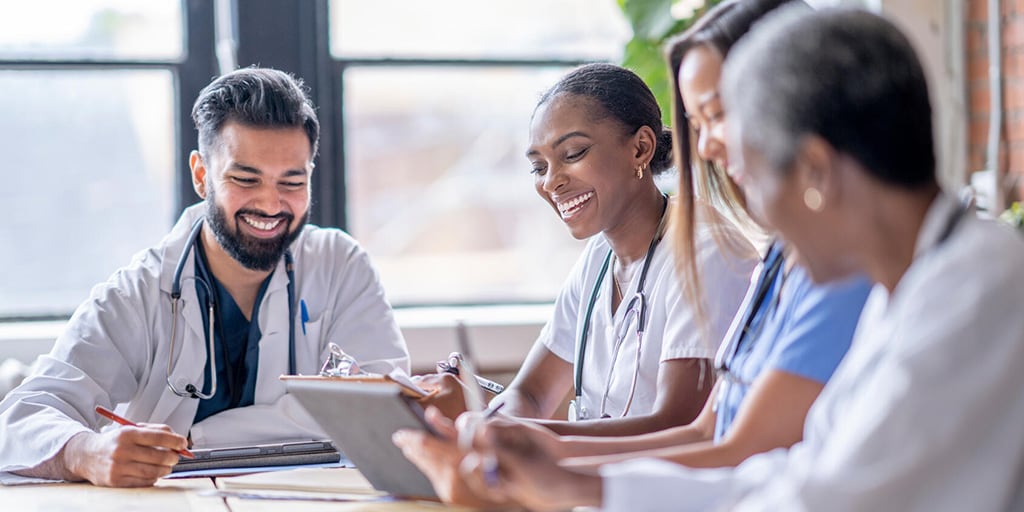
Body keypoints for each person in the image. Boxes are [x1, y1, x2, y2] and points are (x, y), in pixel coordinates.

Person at [455, 8, 1024, 511]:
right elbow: (792, 472)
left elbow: (824, 495)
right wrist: (568, 477)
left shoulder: (975, 292)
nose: (763, 232)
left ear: (815, 173)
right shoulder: (902, 286)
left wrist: (572, 480)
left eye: (753, 176)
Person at [0, 67, 409, 487]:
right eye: (245, 179)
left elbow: (385, 417)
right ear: (201, 175)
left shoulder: (341, 267)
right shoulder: (139, 292)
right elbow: (23, 415)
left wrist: (196, 438)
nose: (271, 204)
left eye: (292, 181)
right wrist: (86, 453)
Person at [422, 63, 756, 437]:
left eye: (573, 153)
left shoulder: (707, 253)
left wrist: (528, 438)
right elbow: (531, 396)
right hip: (599, 484)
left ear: (640, 148)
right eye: (538, 166)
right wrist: (482, 419)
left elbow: (678, 426)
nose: (552, 182)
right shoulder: (599, 259)